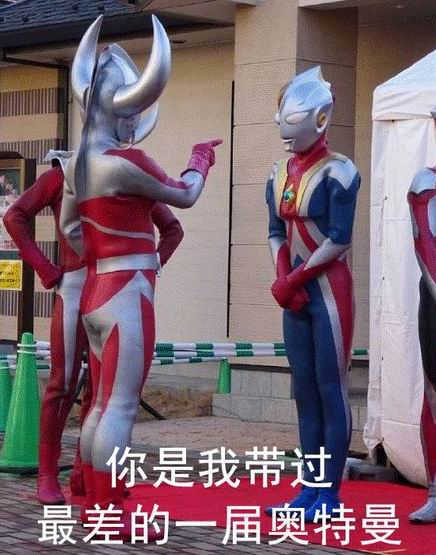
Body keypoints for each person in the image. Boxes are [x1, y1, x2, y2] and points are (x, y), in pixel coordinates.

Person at [60, 14, 221, 539]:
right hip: (126, 294)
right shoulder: (125, 162)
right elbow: (185, 194)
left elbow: (72, 230)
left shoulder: (78, 164)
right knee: (120, 405)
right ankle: (109, 514)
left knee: (101, 404)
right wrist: (200, 158)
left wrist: (112, 258)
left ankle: (94, 505)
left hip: (97, 290)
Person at [3, 151, 185, 506]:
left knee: (103, 390)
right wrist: (45, 269)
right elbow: (15, 215)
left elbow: (173, 229)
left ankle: (87, 474)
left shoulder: (125, 171)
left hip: (110, 284)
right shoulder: (66, 173)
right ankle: (48, 473)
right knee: (64, 382)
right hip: (77, 283)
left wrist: (146, 268)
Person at [264, 67, 360, 519]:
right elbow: (275, 231)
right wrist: (283, 277)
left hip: (328, 291)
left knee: (330, 388)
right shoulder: (278, 172)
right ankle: (309, 488)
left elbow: (339, 238)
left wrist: (292, 280)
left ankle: (329, 494)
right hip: (297, 292)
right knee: (304, 390)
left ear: (319, 118)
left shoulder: (341, 171)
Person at [407, 117, 436, 523]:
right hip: (434, 300)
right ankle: (434, 490)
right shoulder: (426, 182)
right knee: (433, 394)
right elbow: (425, 248)